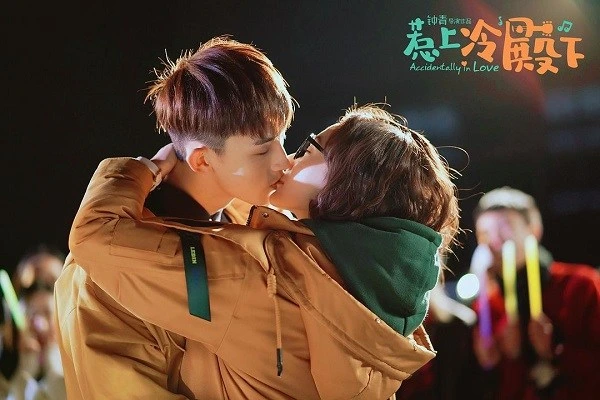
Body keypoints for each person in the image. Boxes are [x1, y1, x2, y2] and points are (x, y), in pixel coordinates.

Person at [66, 104, 461, 399]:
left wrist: (144, 169)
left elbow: (95, 235)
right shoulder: (383, 307)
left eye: (308, 148)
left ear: (345, 182)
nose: (287, 160)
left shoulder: (260, 276)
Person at [54, 35, 295, 399]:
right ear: (202, 159)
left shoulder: (252, 220)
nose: (284, 161)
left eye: (283, 138)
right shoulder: (105, 268)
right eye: (262, 150)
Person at [469, 186, 600, 399]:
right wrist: (494, 361)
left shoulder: (580, 286)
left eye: (505, 228)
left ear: (534, 229)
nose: (495, 242)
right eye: (484, 233)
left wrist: (557, 349)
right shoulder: (488, 306)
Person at [1, 246, 66, 400]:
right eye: (29, 287)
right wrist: (18, 373)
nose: (40, 290)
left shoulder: (89, 357)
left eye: (51, 285)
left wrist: (55, 370)